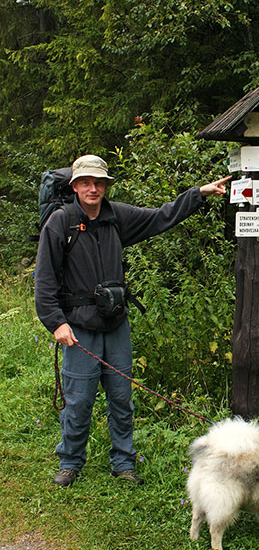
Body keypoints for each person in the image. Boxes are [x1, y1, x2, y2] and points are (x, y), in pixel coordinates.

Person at [35, 154, 230, 487]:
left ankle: (124, 463)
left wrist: (199, 193)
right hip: (79, 328)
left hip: (116, 325)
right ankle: (69, 462)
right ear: (75, 186)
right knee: (79, 400)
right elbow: (44, 280)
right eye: (86, 183)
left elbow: (160, 217)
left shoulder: (116, 216)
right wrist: (56, 323)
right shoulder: (60, 222)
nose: (93, 189)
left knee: (121, 398)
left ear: (106, 185)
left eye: (99, 183)